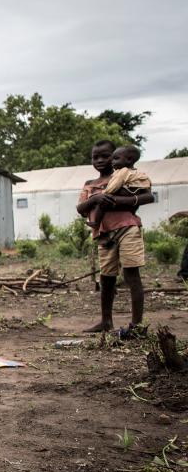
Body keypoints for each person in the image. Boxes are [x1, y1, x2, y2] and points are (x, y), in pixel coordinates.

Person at [77, 140, 153, 337]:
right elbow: (81, 209)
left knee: (131, 275)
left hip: (128, 228)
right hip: (105, 235)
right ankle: (106, 321)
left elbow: (148, 197)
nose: (100, 160)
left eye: (106, 156)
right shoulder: (90, 185)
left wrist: (117, 200)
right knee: (107, 278)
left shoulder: (126, 176)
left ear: (118, 156)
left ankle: (137, 326)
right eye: (96, 157)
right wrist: (95, 199)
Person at [87, 145, 151, 229]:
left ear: (129, 160)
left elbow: (115, 185)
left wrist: (105, 193)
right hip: (132, 195)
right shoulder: (138, 173)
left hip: (126, 226)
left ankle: (96, 222)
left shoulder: (122, 172)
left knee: (103, 202)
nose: (112, 161)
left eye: (116, 158)